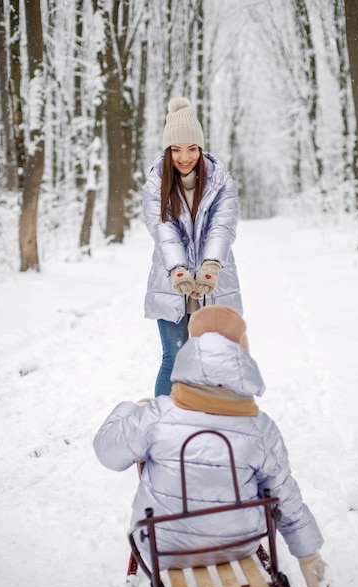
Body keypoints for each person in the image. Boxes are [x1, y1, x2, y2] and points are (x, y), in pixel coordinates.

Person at [93, 305, 333, 587]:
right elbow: (287, 499)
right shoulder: (261, 428)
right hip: (238, 544)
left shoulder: (159, 414)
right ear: (243, 359)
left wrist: (130, 409)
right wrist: (311, 561)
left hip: (164, 547)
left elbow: (108, 452)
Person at [142, 97, 242, 396]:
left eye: (192, 148)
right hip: (170, 281)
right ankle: (162, 423)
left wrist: (211, 266)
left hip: (216, 282)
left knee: (213, 362)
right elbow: (163, 229)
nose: (184, 156)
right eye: (176, 149)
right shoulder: (155, 183)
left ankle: (208, 426)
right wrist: (178, 269)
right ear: (167, 150)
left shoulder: (221, 182)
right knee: (173, 358)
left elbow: (222, 226)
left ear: (201, 148)